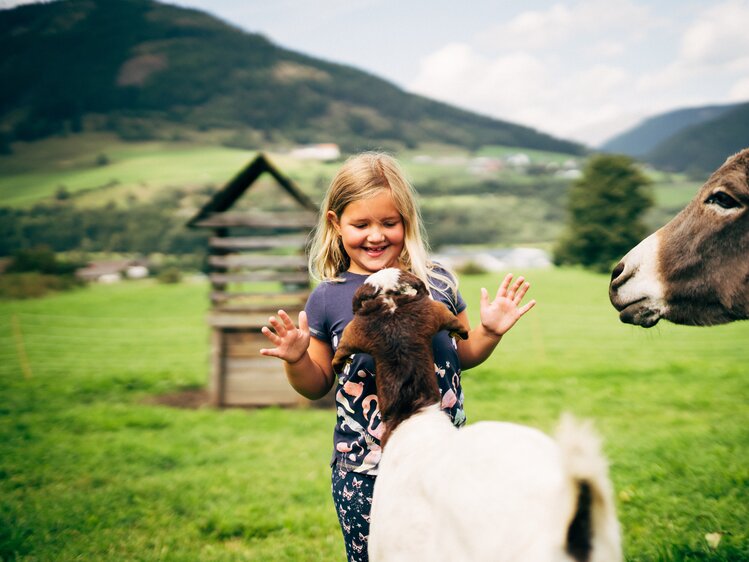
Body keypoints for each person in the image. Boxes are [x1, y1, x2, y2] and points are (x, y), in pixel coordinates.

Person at [260, 152, 535, 562]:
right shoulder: (328, 297)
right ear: (336, 224)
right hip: (366, 469)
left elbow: (462, 356)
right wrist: (296, 359)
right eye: (361, 224)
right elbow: (317, 384)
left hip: (443, 459)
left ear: (405, 221)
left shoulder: (436, 282)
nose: (376, 236)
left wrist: (489, 332)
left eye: (389, 223)